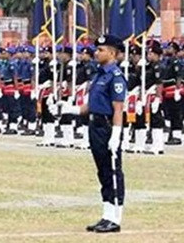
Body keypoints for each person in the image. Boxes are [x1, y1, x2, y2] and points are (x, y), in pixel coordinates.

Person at [70, 35, 127, 233]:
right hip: (94, 125)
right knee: (102, 172)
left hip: (107, 127)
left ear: (112, 53)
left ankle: (116, 218)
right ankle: (106, 214)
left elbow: (118, 108)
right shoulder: (99, 75)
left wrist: (116, 135)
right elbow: (90, 105)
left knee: (112, 172)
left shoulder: (115, 76)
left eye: (101, 49)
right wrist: (69, 110)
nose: (96, 52)